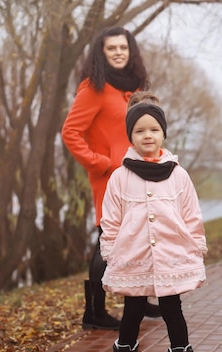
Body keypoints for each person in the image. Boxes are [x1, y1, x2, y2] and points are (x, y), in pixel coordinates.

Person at [100, 92, 207, 352]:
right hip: (134, 257)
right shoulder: (120, 177)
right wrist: (110, 252)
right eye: (140, 130)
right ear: (130, 136)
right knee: (132, 311)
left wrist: (197, 247)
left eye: (154, 130)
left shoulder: (178, 175)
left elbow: (191, 215)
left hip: (170, 257)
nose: (148, 135)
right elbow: (110, 219)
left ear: (163, 133)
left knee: (173, 310)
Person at [61, 26, 151, 330]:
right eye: (111, 48)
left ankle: (139, 298)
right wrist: (100, 163)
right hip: (109, 177)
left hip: (139, 173)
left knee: (140, 233)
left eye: (122, 48)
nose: (117, 52)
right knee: (106, 239)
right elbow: (70, 132)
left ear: (130, 52)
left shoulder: (134, 87)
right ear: (102, 53)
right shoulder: (93, 87)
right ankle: (95, 313)